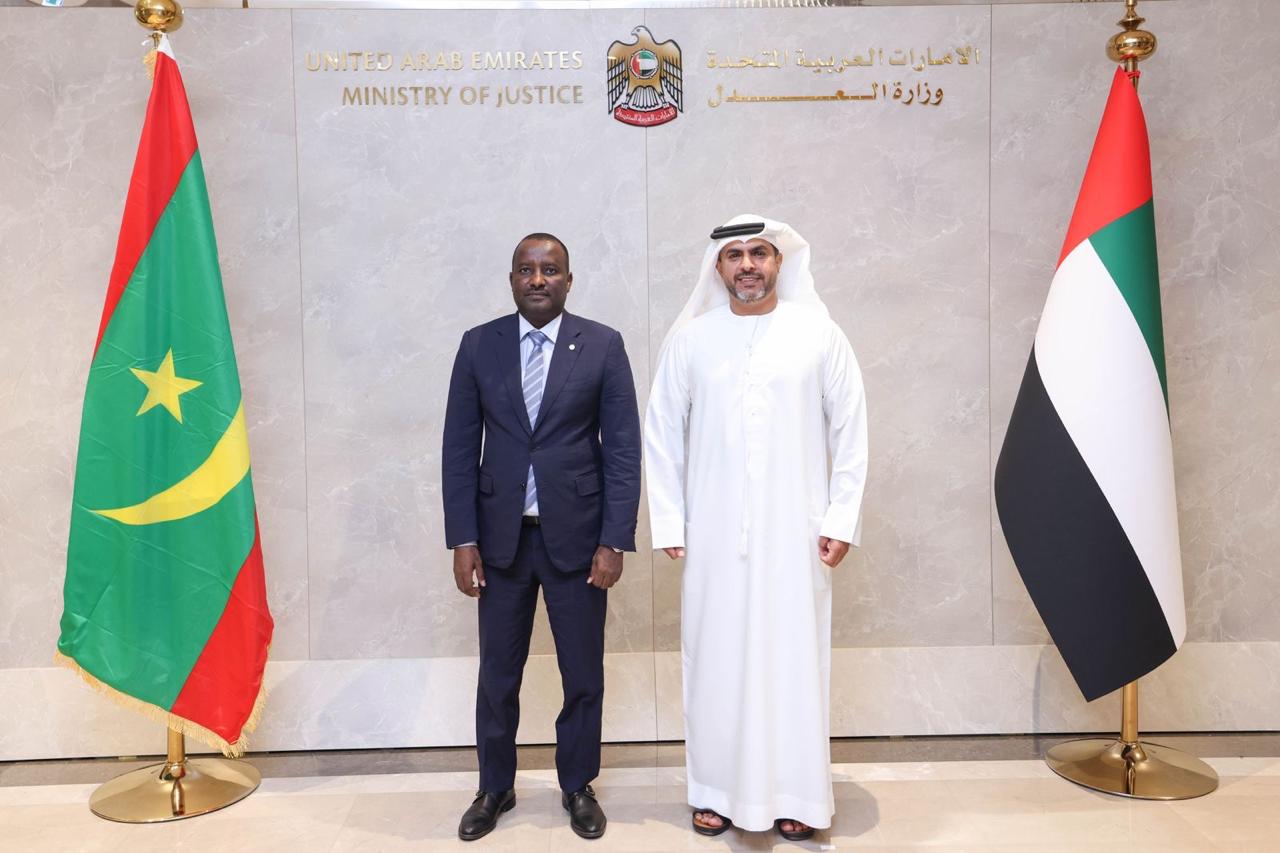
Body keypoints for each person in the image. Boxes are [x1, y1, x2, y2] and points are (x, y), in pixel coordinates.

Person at [644, 215, 868, 841]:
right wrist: (669, 517)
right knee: (715, 661)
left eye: (759, 253)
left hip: (798, 535)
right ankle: (715, 792)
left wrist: (842, 517)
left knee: (794, 661)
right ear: (718, 267)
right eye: (735, 254)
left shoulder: (818, 335)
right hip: (713, 536)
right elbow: (661, 432)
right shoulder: (692, 341)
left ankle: (798, 796)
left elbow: (851, 429)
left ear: (779, 262)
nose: (747, 264)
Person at [442, 233, 641, 841]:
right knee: (497, 675)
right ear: (511, 279)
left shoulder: (603, 345)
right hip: (500, 542)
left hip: (579, 543)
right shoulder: (479, 345)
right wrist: (463, 539)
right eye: (526, 270)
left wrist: (614, 540)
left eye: (550, 270)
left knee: (582, 673)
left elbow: (623, 451)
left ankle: (577, 785)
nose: (537, 279)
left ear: (568, 280)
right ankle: (494, 787)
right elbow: (458, 449)